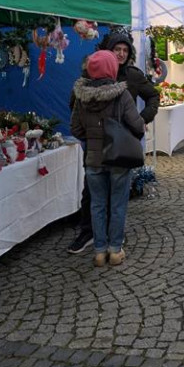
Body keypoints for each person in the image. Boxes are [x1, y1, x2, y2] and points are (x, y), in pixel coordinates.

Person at [67, 29, 160, 254]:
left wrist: (141, 121)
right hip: (97, 148)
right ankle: (95, 236)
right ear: (108, 52)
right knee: (94, 196)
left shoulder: (133, 76)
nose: (120, 54)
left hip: (119, 146)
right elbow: (74, 106)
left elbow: (152, 97)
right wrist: (93, 132)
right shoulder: (89, 77)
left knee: (113, 197)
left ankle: (107, 242)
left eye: (124, 50)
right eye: (116, 49)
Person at [71, 50, 145, 267]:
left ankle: (99, 252)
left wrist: (93, 138)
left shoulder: (81, 96)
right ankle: (115, 250)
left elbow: (75, 128)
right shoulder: (121, 94)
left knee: (97, 205)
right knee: (118, 204)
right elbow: (137, 124)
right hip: (118, 159)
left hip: (93, 159)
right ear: (112, 69)